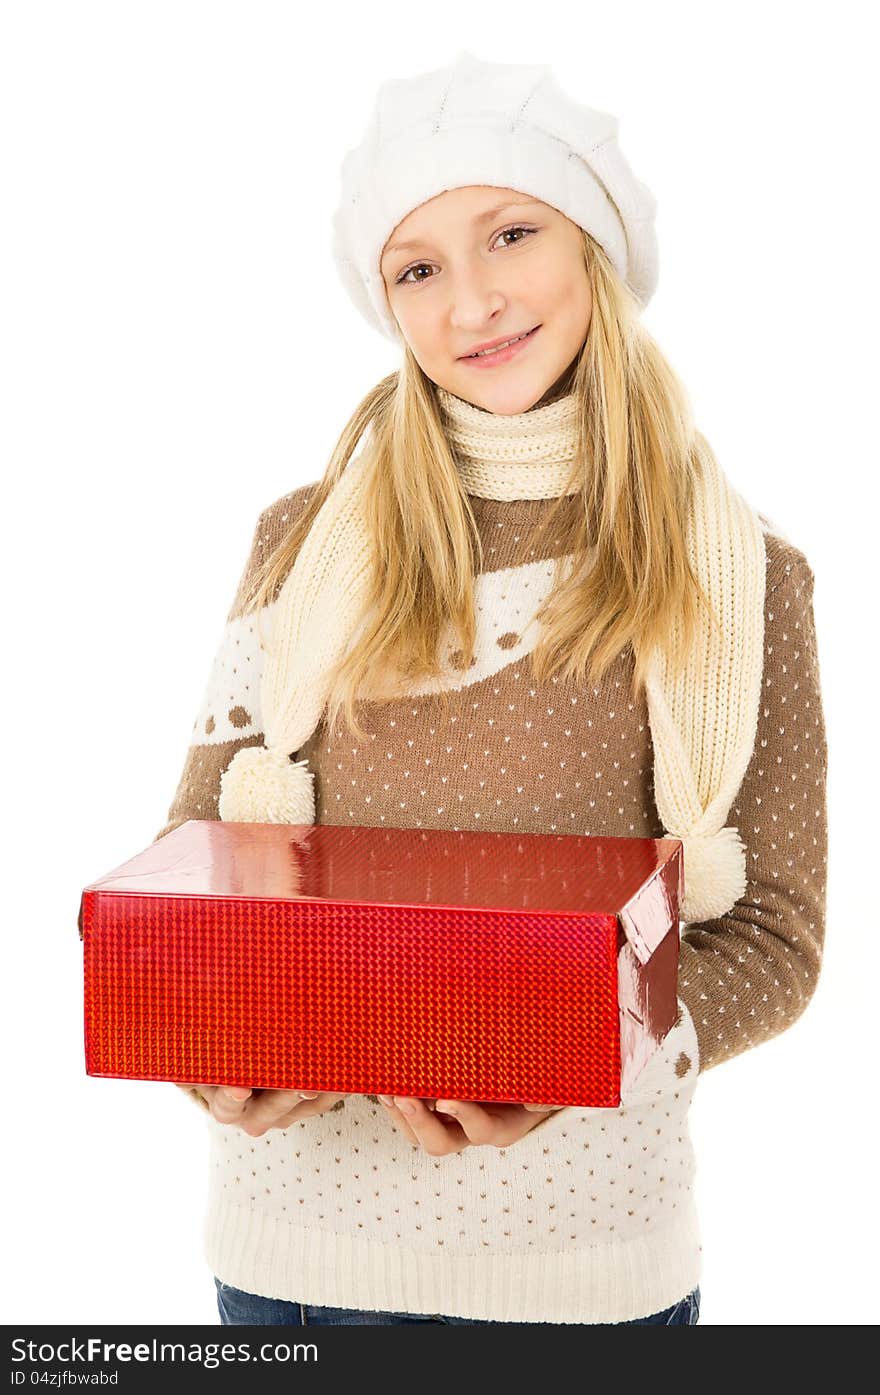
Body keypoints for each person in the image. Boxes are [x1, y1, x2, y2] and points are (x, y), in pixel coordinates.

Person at [156, 51, 827, 1327]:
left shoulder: (743, 579)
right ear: (389, 305)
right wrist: (211, 1046)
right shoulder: (301, 544)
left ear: (594, 245)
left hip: (580, 1278)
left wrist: (579, 1054)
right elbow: (202, 868)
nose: (471, 301)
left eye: (508, 232)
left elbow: (775, 939)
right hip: (290, 1271)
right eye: (418, 268)